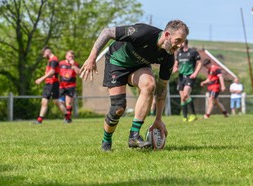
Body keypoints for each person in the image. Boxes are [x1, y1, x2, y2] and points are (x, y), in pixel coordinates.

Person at [80, 20, 189, 152]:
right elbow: (107, 32)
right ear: (167, 35)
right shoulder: (143, 33)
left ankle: (134, 136)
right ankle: (106, 140)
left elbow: (162, 88)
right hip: (117, 62)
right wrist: (92, 58)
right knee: (118, 108)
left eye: (182, 42)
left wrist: (158, 119)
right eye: (177, 40)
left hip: (138, 67)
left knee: (149, 85)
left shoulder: (168, 56)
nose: (179, 46)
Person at [34, 47, 67, 124]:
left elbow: (52, 71)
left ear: (47, 52)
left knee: (47, 101)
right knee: (53, 101)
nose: (43, 56)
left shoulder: (53, 60)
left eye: (44, 54)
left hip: (52, 83)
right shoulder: (51, 60)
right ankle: (67, 117)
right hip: (50, 83)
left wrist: (41, 79)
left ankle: (39, 120)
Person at [172, 39, 202, 122]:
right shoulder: (179, 53)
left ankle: (193, 115)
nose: (178, 45)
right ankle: (185, 117)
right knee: (182, 98)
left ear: (184, 42)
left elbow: (200, 63)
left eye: (179, 42)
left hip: (190, 76)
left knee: (186, 94)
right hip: (181, 77)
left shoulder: (193, 52)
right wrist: (175, 68)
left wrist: (195, 73)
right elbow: (176, 64)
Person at [59, 50, 80, 123]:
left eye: (72, 56)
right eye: (69, 56)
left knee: (68, 103)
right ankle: (67, 117)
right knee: (60, 102)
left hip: (71, 85)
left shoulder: (75, 64)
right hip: (61, 86)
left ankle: (68, 119)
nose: (71, 58)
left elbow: (79, 73)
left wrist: (73, 65)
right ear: (66, 56)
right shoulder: (61, 63)